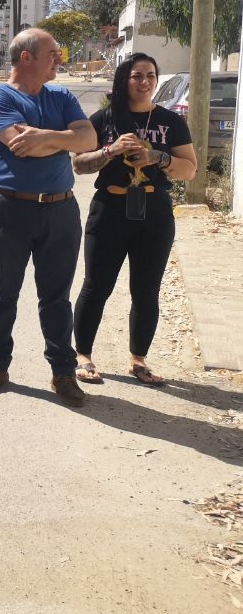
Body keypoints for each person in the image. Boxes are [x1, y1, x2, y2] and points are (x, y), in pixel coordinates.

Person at [0, 27, 97, 407]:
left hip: (61, 209)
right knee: (3, 293)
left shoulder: (61, 94)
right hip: (11, 207)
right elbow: (21, 147)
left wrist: (46, 135)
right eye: (53, 53)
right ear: (26, 57)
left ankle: (63, 372)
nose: (59, 59)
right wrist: (64, 138)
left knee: (56, 297)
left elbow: (89, 140)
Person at [70, 53, 197, 386]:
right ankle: (83, 357)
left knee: (146, 290)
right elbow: (78, 164)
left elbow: (190, 169)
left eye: (151, 76)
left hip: (154, 214)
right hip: (110, 210)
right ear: (125, 80)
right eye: (137, 76)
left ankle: (138, 360)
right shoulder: (105, 118)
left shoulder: (171, 122)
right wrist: (110, 151)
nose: (145, 82)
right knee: (96, 287)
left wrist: (159, 156)